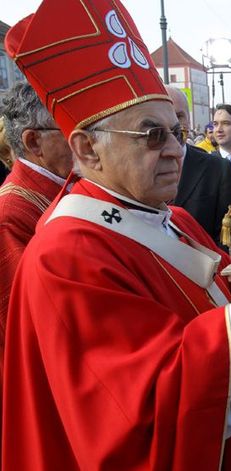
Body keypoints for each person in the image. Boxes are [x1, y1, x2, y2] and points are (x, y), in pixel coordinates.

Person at [3, 1, 231, 469]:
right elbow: (143, 415)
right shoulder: (66, 255)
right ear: (87, 148)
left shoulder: (173, 218)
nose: (177, 150)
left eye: (177, 132)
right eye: (152, 136)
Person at [0, 82, 73, 438]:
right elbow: (22, 317)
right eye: (70, 128)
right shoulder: (12, 211)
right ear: (33, 142)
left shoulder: (63, 187)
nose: (83, 138)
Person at [166, 86, 231, 244]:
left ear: (189, 120)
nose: (172, 124)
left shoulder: (218, 169)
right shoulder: (137, 168)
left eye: (179, 116)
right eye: (163, 116)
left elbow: (226, 235)